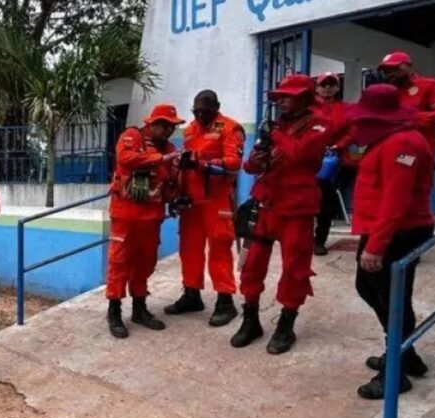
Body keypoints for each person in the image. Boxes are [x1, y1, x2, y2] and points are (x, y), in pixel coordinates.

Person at [345, 84, 435, 400]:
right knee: (381, 292)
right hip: (385, 229)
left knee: (389, 296)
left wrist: (376, 246)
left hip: (396, 231)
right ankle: (404, 354)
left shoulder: (403, 144)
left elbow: (395, 201)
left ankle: (395, 371)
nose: (360, 126)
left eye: (365, 120)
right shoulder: (390, 140)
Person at [231, 75, 330, 355]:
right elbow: (249, 166)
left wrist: (274, 135)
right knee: (250, 265)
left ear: (303, 97)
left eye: (287, 96)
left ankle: (286, 325)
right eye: (279, 97)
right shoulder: (276, 127)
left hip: (297, 209)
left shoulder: (319, 124)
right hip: (265, 206)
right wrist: (257, 158)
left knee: (294, 269)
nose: (280, 101)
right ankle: (250, 320)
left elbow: (300, 154)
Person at [163, 90, 243, 327]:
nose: (199, 114)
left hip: (216, 199)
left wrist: (205, 164)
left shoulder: (230, 128)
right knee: (189, 249)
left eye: (204, 110)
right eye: (196, 111)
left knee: (219, 248)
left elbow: (234, 164)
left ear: (216, 106)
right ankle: (191, 294)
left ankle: (225, 300)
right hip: (191, 201)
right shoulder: (190, 130)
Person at [105, 104, 183, 338]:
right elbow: (127, 158)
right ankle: (114, 310)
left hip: (152, 216)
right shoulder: (132, 136)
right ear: (152, 124)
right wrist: (162, 158)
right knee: (119, 263)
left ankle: (139, 307)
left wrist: (177, 177)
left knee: (145, 262)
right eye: (165, 126)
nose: (169, 131)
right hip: (125, 214)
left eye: (172, 127)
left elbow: (170, 181)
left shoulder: (169, 149)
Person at [378, 51, 435, 157]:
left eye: (393, 68)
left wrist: (415, 117)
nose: (389, 73)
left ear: (406, 66)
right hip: (394, 153)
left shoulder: (428, 85)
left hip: (420, 154)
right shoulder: (387, 92)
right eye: (385, 71)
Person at [312, 72, 352, 256]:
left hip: (333, 162)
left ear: (337, 87)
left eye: (331, 84)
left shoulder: (345, 109)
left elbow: (353, 131)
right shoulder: (308, 108)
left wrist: (338, 145)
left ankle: (319, 240)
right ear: (317, 88)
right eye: (323, 84)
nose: (327, 88)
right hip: (308, 159)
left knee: (326, 204)